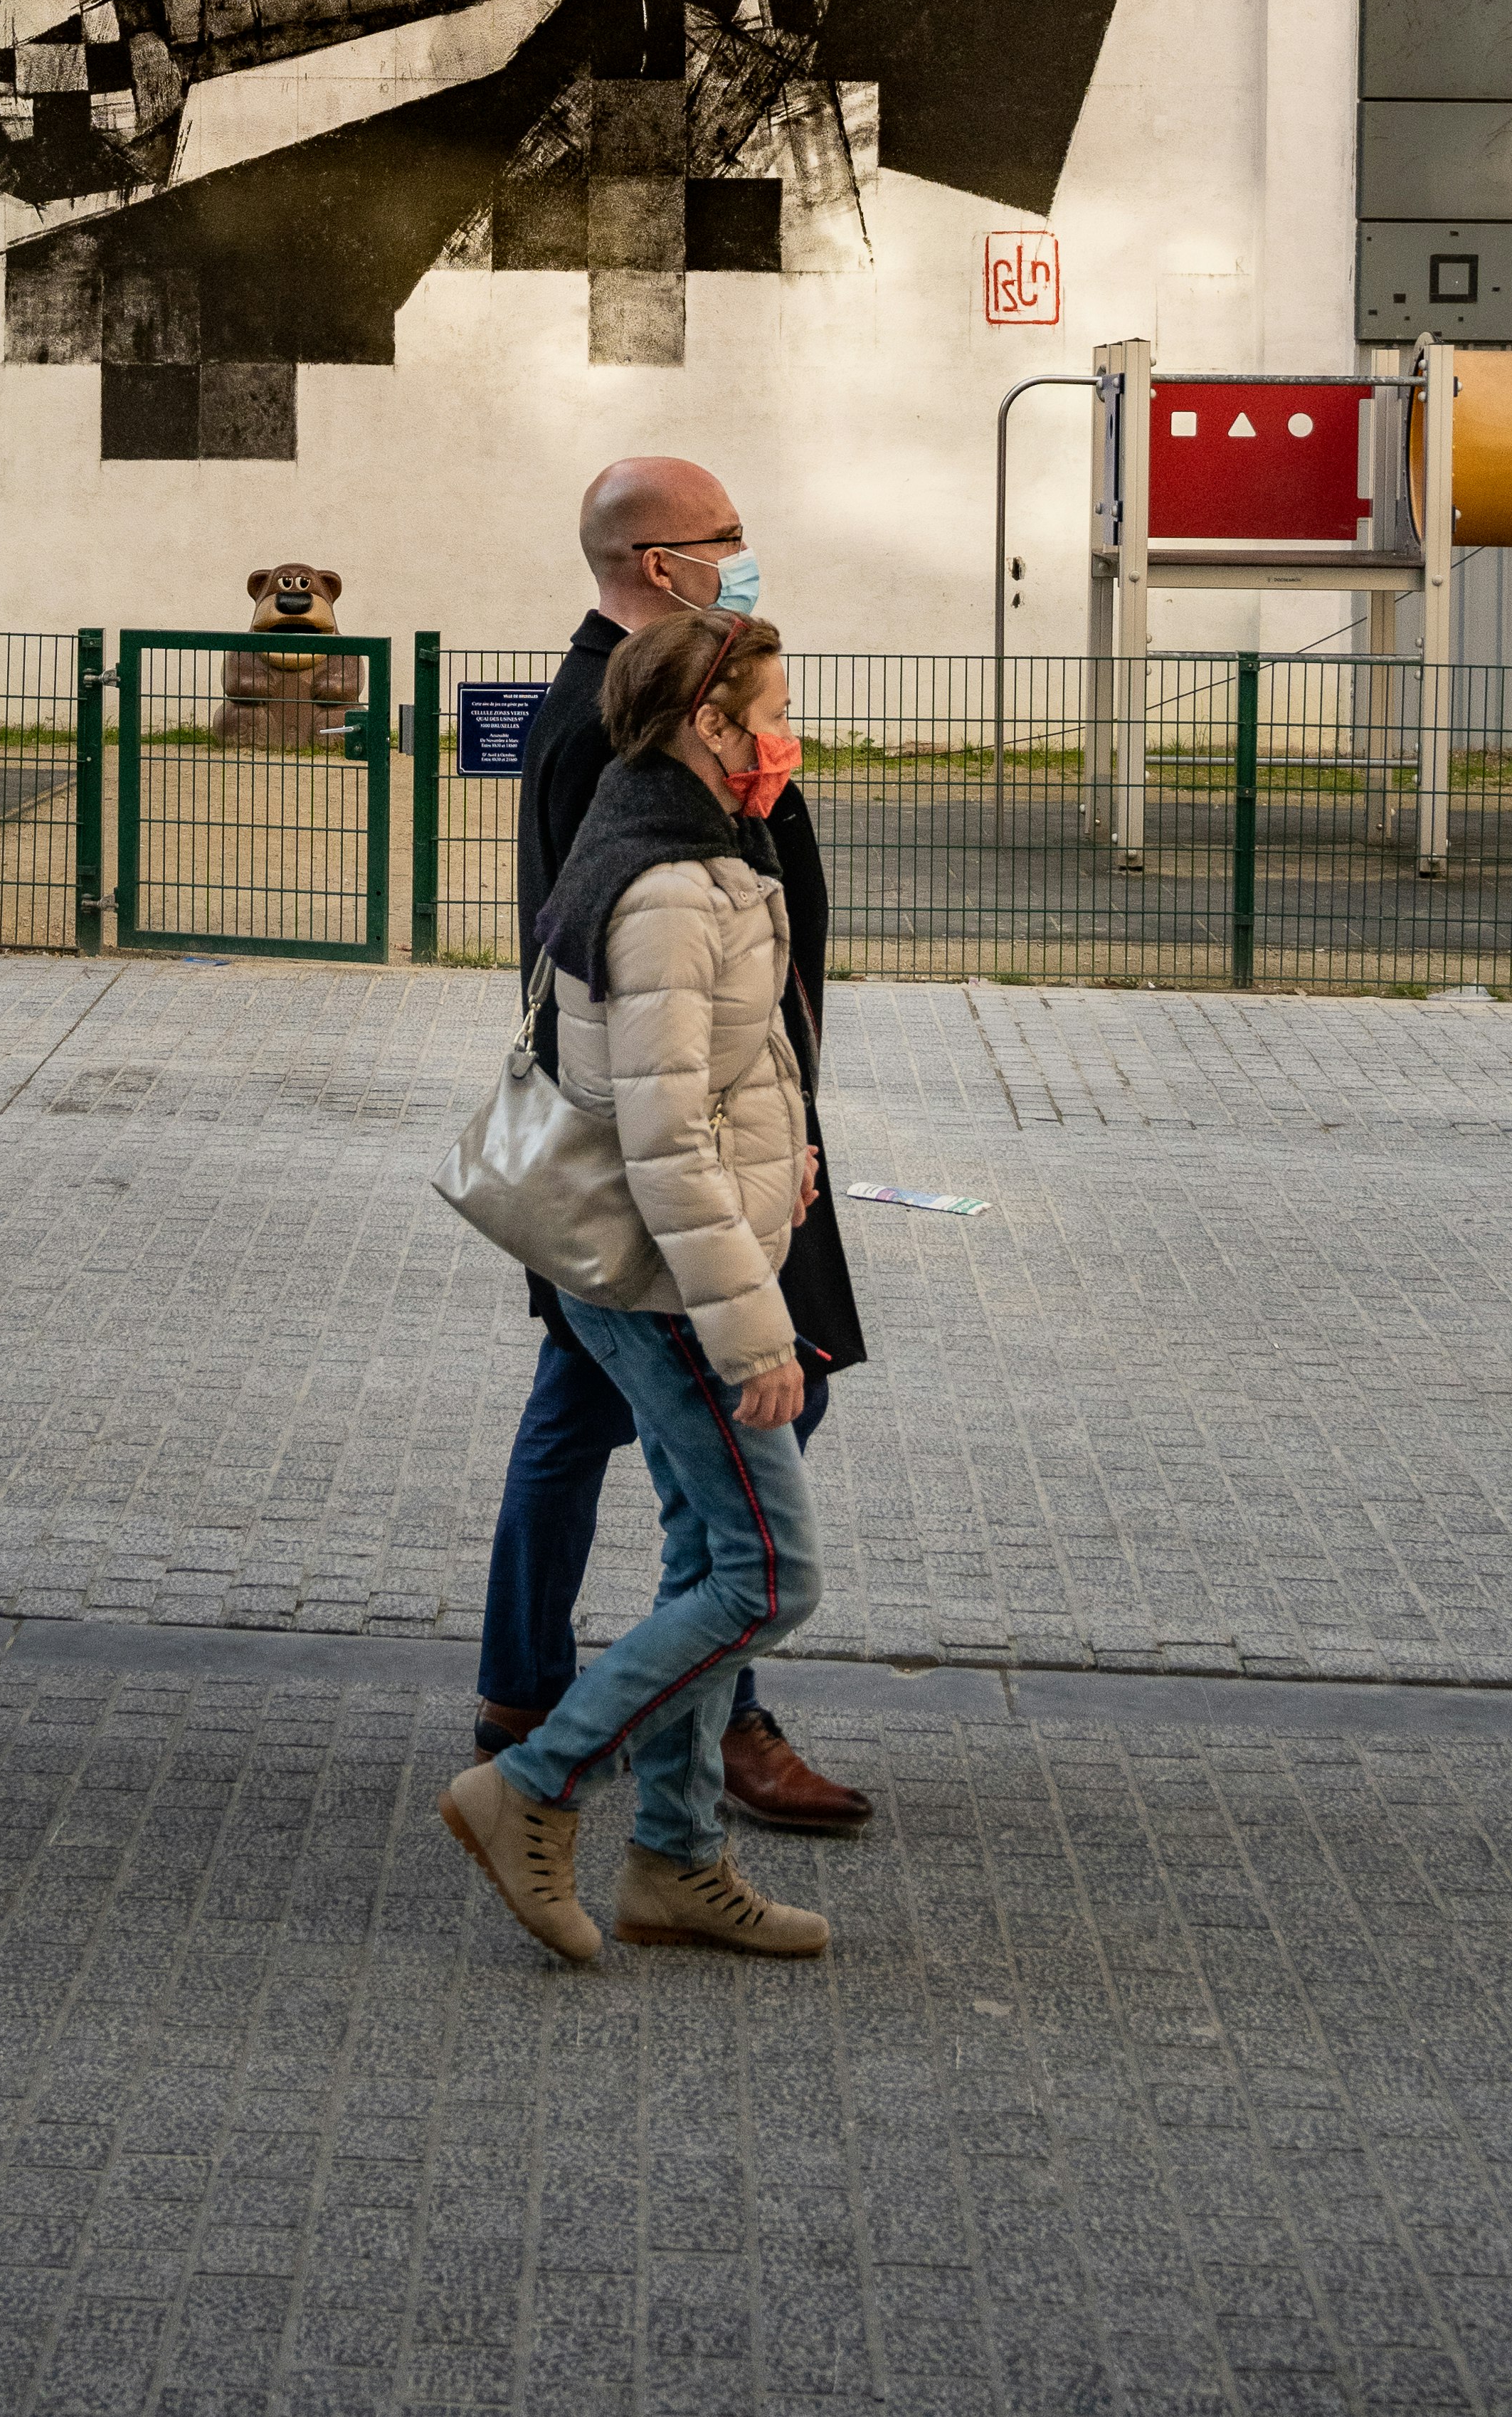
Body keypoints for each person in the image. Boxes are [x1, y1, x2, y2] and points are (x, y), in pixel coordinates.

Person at [471, 452, 872, 1836]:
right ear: (658, 565)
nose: (744, 553)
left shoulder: (639, 694)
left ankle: (548, 1709)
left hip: (703, 1138)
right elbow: (642, 1007)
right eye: (727, 537)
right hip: (671, 1162)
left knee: (581, 1413)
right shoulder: (619, 720)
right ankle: (665, 1724)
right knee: (743, 1452)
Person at [438, 606, 835, 1962]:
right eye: (772, 711)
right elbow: (662, 1137)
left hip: (680, 1264)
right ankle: (532, 1786)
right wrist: (752, 1334)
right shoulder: (670, 887)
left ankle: (674, 1861)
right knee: (768, 1578)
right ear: (709, 727)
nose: (789, 736)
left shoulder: (679, 840)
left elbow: (717, 1075)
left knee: (700, 1555)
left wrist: (793, 1145)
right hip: (676, 1288)